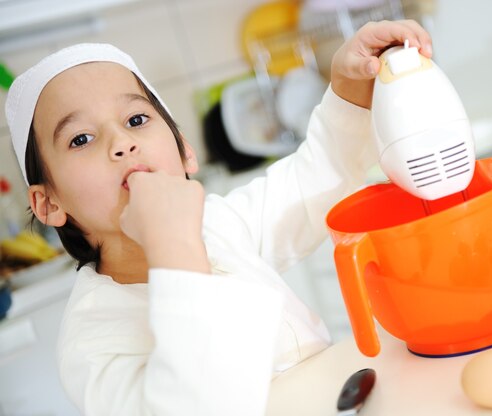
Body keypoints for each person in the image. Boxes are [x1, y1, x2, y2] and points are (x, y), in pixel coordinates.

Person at [5, 20, 432, 415]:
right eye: (81, 138)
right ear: (48, 204)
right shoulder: (91, 344)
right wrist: (173, 246)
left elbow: (310, 182)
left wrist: (348, 90)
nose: (121, 143)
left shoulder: (219, 224)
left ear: (184, 151)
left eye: (136, 119)